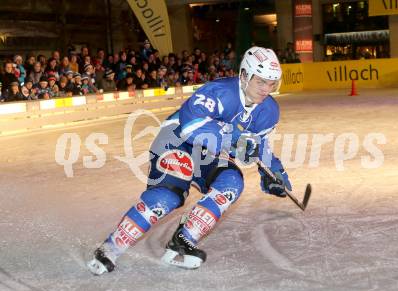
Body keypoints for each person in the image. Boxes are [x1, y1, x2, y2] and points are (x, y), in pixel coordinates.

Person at [87, 46, 293, 275]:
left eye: (271, 83)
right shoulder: (219, 91)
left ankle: (183, 241)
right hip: (177, 140)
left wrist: (274, 172)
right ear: (244, 75)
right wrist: (234, 137)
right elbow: (190, 124)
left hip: (209, 151)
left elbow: (260, 145)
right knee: (165, 197)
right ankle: (110, 248)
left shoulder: (269, 110)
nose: (266, 89)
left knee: (232, 182)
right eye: (260, 82)